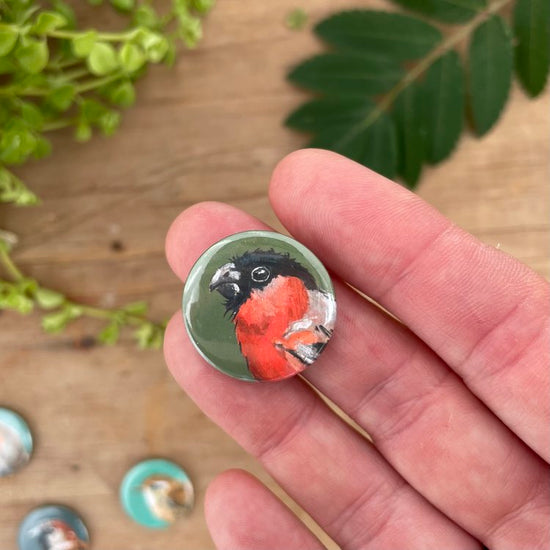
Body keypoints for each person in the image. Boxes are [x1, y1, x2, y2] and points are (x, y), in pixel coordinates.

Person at [164, 150, 549, 550]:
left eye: (258, 276)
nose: (231, 279)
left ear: (298, 286)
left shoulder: (305, 327)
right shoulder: (252, 342)